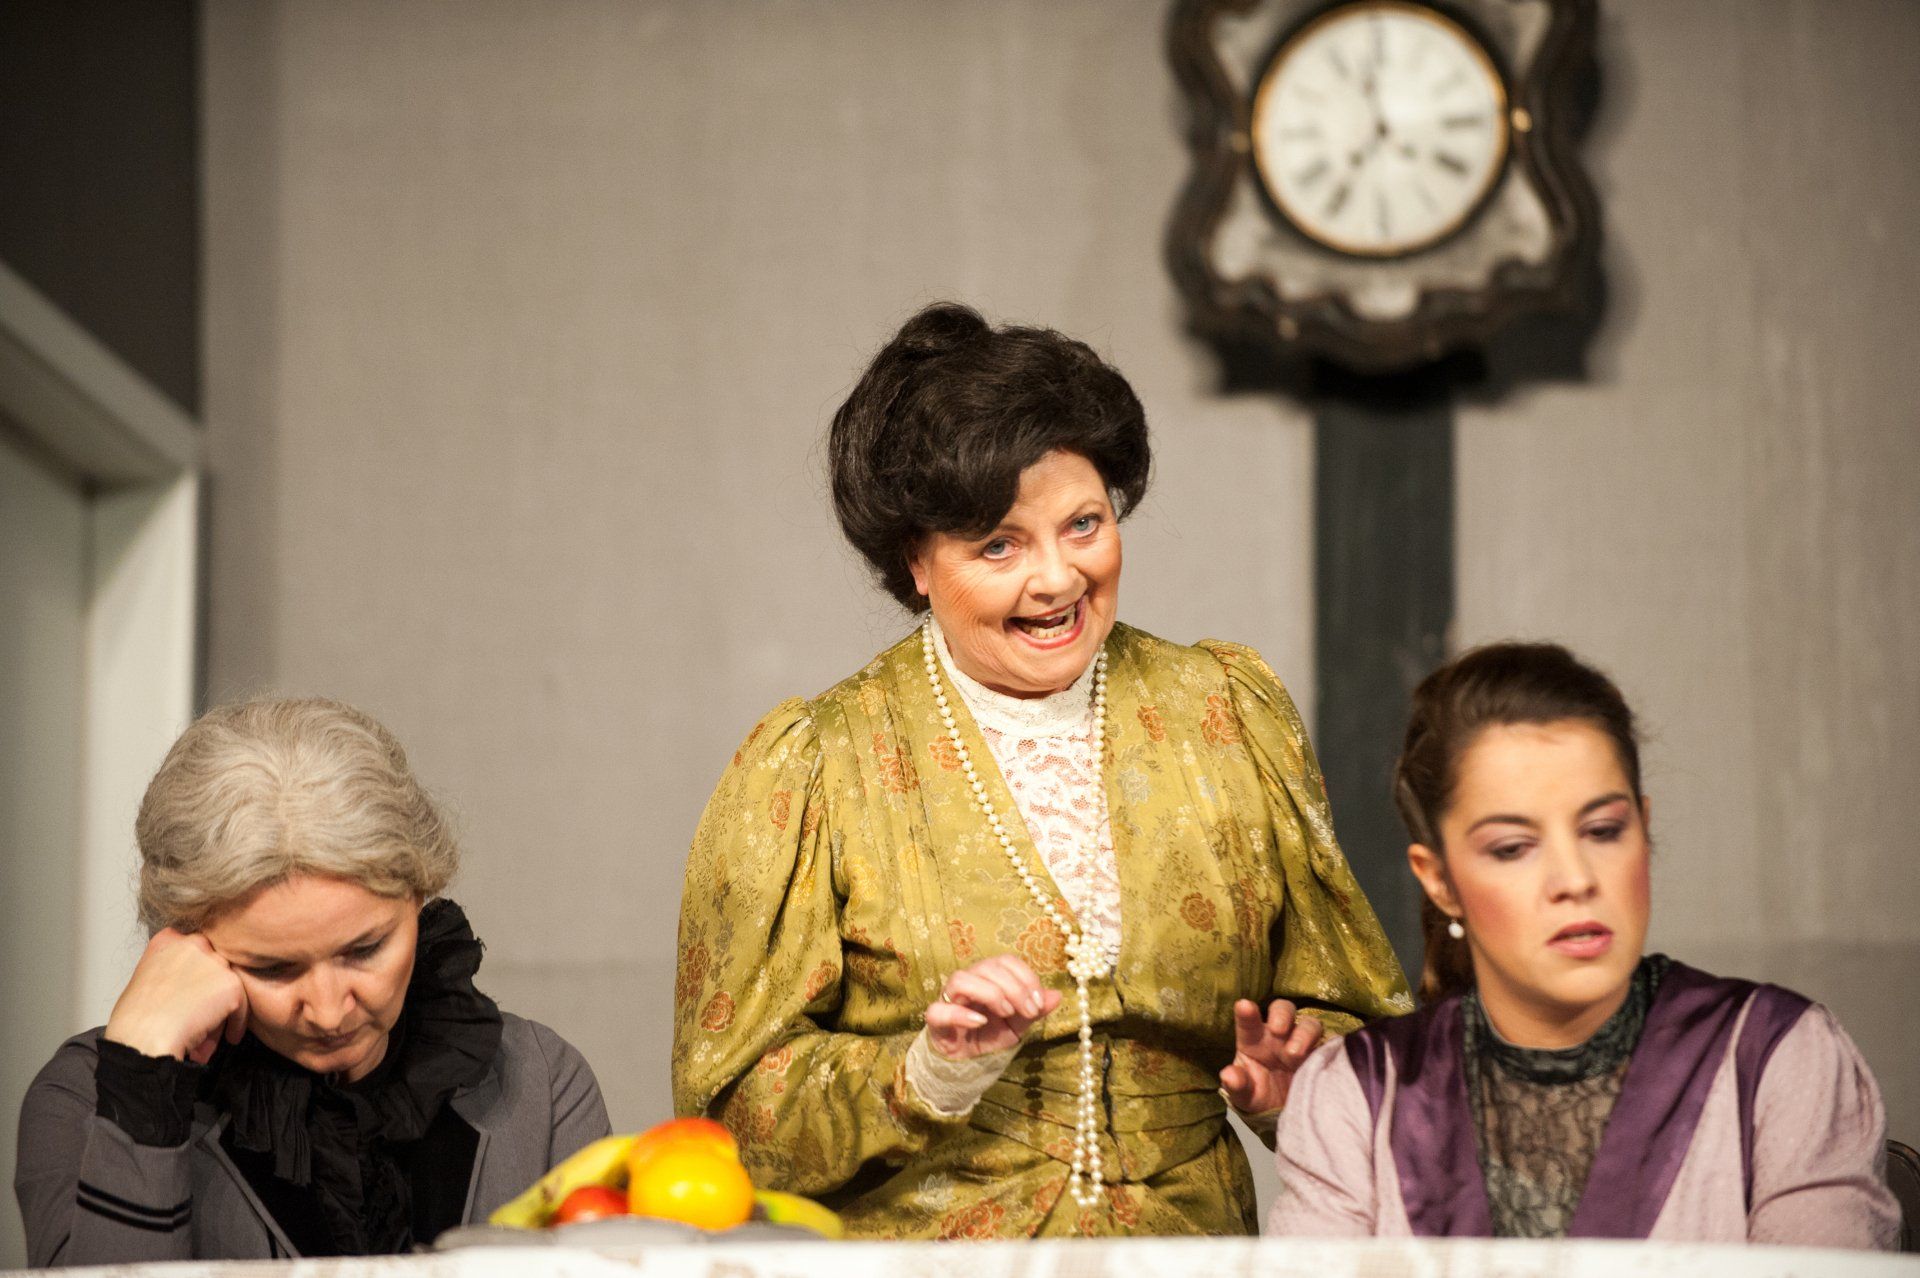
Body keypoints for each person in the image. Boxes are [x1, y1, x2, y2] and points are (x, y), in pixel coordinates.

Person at [671, 302, 1409, 1239]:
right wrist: (928, 1072)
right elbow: (728, 1117)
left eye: (1083, 524)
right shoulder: (817, 764)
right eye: (999, 544)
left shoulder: (1225, 713)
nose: (1058, 578)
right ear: (917, 562)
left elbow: (1368, 1034)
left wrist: (1303, 1090)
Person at [1267, 642, 1899, 1247]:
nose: (1575, 879)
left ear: (1643, 830)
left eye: (1602, 830)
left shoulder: (1779, 1059)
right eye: (1512, 848)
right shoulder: (1356, 1092)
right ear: (1440, 882)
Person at [16, 698, 610, 1266]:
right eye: (272, 968)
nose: (328, 1012)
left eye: (364, 950)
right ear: (188, 940)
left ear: (421, 892)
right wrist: (143, 1084)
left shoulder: (542, 1085)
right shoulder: (86, 1100)